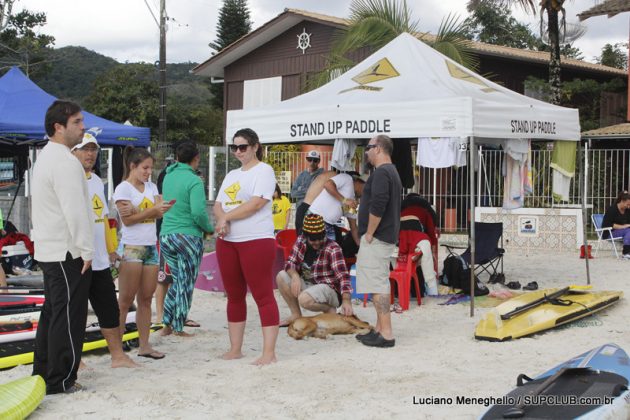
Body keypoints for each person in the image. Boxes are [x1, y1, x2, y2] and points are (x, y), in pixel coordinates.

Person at [31, 100, 94, 394]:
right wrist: (86, 250)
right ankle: (61, 379)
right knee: (69, 315)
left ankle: (43, 374)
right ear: (59, 127)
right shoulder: (65, 161)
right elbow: (76, 211)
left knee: (54, 313)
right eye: (77, 122)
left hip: (50, 248)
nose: (83, 127)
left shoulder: (44, 157)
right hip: (67, 250)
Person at [71, 134, 139, 368]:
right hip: (77, 257)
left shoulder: (97, 181)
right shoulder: (69, 180)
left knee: (108, 307)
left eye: (93, 149)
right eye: (85, 149)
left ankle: (118, 356)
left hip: (99, 257)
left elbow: (106, 219)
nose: (90, 154)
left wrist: (111, 249)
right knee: (76, 310)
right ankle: (74, 359)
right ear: (73, 152)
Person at [213, 128, 279, 365]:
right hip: (228, 241)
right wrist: (222, 219)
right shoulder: (231, 174)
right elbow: (218, 204)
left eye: (243, 147)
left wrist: (226, 218)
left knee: (262, 294)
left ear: (255, 147)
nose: (238, 151)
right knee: (234, 295)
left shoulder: (264, 171)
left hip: (256, 239)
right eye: (235, 147)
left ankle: (269, 353)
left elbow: (256, 203)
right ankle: (235, 348)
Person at [114, 146, 172, 360]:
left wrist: (140, 211)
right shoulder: (123, 188)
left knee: (146, 298)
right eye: (145, 168)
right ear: (133, 166)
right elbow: (127, 220)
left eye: (150, 168)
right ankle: (117, 349)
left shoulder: (152, 185)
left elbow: (160, 211)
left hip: (150, 245)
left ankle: (145, 345)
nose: (149, 172)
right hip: (132, 246)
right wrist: (150, 211)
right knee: (125, 300)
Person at [159, 141, 214, 337]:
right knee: (186, 282)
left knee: (176, 281)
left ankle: (166, 324)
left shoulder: (168, 176)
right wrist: (209, 228)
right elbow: (199, 212)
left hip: (167, 235)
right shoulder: (194, 181)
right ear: (196, 158)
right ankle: (179, 326)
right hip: (188, 237)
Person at [355, 134, 402, 348]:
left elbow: (379, 204)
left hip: (378, 236)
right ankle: (379, 329)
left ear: (379, 149)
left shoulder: (383, 172)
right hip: (384, 236)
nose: (366, 151)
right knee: (377, 282)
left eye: (368, 147)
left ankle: (387, 333)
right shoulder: (389, 171)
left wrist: (370, 232)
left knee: (378, 283)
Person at [276, 214, 353, 327]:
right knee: (281, 276)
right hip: (310, 284)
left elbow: (343, 276)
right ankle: (296, 315)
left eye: (320, 238)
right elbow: (290, 262)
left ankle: (329, 309)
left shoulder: (333, 248)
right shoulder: (301, 240)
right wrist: (295, 276)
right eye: (313, 239)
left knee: (304, 299)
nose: (317, 242)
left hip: (329, 289)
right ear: (306, 236)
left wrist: (346, 300)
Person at [307, 171, 364, 245]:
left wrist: (361, 247)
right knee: (313, 251)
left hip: (329, 225)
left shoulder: (352, 202)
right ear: (360, 182)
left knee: (330, 252)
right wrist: (344, 200)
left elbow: (353, 227)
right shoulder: (347, 179)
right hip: (315, 217)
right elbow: (328, 185)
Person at [294, 168, 337, 235]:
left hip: (302, 209)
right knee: (311, 241)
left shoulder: (326, 175)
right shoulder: (334, 177)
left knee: (303, 242)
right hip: (308, 210)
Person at [602, 191, 630, 259]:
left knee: (628, 231)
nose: (628, 207)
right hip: (610, 232)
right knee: (628, 231)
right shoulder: (612, 210)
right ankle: (626, 253)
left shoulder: (627, 210)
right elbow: (607, 225)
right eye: (628, 204)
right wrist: (623, 226)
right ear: (622, 201)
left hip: (624, 231)